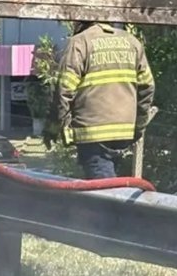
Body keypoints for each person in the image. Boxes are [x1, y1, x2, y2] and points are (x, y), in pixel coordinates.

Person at [44, 20, 155, 180]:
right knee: (111, 181)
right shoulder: (132, 42)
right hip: (124, 132)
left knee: (103, 188)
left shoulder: (80, 43)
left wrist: (56, 129)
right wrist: (138, 127)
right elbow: (147, 87)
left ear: (79, 23)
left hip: (93, 133)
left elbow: (63, 90)